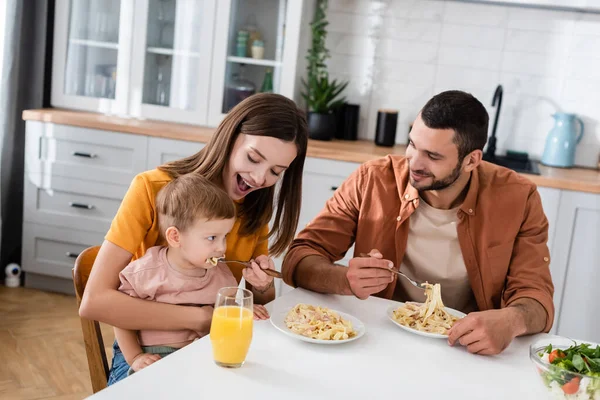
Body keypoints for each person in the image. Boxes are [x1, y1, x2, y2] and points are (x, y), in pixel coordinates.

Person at [282, 90, 554, 356]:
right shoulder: (373, 179)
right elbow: (300, 257)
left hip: (464, 348)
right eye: (412, 144)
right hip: (380, 338)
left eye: (433, 156)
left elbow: (536, 298)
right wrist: (344, 280)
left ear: (472, 160)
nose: (414, 162)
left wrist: (510, 320)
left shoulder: (518, 198)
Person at [79, 93, 308, 384]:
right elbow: (95, 303)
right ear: (229, 136)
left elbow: (256, 303)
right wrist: (201, 318)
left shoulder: (254, 209)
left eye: (276, 171)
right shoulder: (152, 189)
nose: (260, 178)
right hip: (145, 351)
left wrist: (262, 287)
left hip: (209, 346)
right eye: (253, 158)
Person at [116, 174, 268, 374]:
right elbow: (120, 318)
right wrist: (135, 357)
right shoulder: (147, 272)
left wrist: (244, 311)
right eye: (212, 237)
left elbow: (225, 311)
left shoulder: (221, 273)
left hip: (204, 352)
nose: (222, 248)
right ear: (175, 237)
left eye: (225, 237)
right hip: (156, 357)